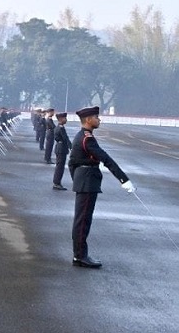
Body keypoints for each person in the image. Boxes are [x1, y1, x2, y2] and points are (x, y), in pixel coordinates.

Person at [68, 106, 134, 268]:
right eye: (96, 117)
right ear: (88, 120)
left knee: (82, 220)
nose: (99, 120)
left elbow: (72, 163)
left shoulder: (81, 136)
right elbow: (106, 158)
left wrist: (77, 179)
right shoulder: (87, 139)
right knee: (83, 221)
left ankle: (80, 255)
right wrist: (123, 179)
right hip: (88, 181)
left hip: (84, 181)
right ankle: (80, 256)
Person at [51, 111, 71, 190]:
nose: (66, 120)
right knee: (60, 167)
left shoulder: (59, 127)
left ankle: (57, 182)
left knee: (59, 166)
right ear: (61, 119)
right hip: (61, 148)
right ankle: (56, 183)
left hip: (60, 147)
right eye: (65, 118)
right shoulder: (60, 128)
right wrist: (71, 146)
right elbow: (65, 139)